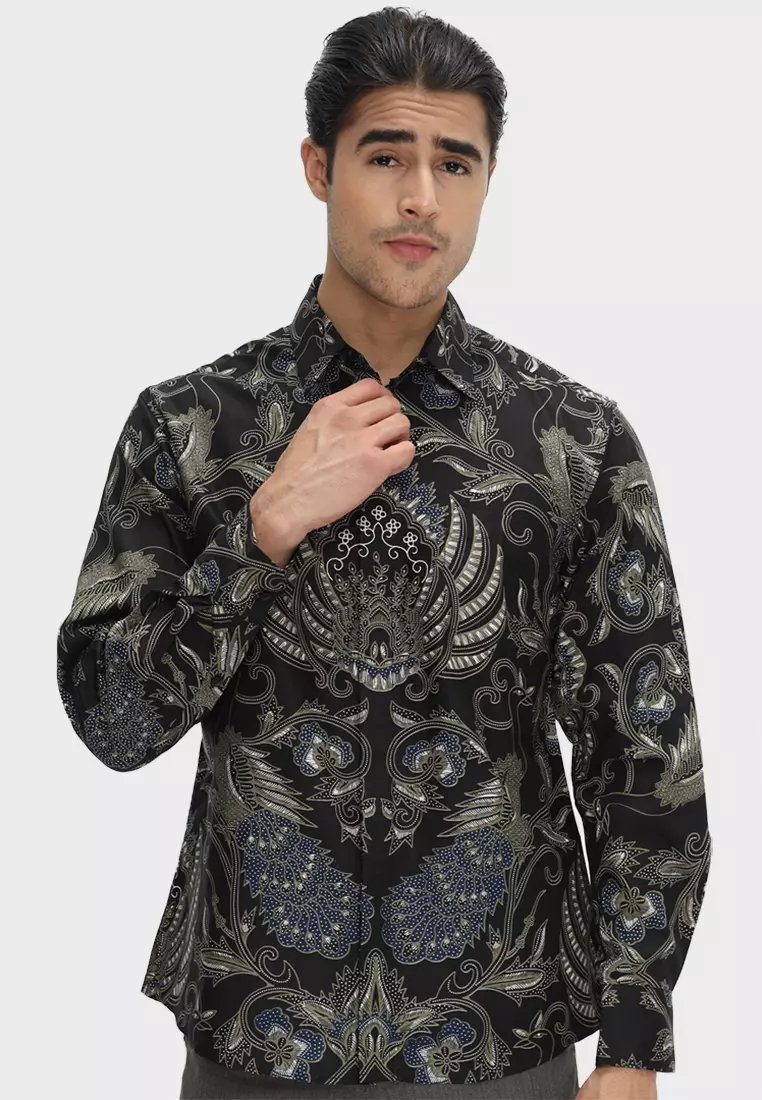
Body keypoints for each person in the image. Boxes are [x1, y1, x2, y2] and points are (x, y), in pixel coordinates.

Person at [55, 6, 712, 1100]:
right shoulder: (193, 428)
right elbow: (112, 721)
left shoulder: (572, 442)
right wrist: (261, 530)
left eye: (455, 163)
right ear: (318, 167)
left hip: (501, 1040)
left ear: (488, 180)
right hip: (258, 1042)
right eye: (386, 156)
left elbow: (643, 755)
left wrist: (636, 1041)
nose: (421, 198)